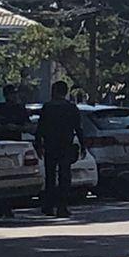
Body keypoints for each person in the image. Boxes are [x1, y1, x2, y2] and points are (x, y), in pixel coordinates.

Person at [35, 81, 82, 219]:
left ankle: (49, 205)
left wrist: (38, 144)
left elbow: (40, 128)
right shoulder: (71, 108)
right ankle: (62, 206)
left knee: (50, 176)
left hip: (50, 145)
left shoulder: (48, 107)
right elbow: (78, 128)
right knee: (64, 176)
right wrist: (83, 144)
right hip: (65, 145)